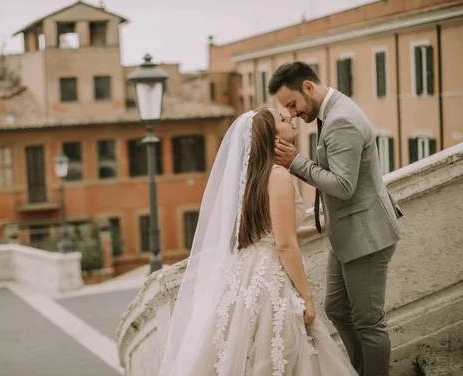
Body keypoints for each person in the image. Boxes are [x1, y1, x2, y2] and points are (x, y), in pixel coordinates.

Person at [158, 108, 357, 376]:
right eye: (283, 120)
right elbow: (284, 244)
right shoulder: (278, 176)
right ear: (273, 137)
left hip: (243, 274)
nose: (291, 118)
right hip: (269, 278)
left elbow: (267, 234)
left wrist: (317, 229)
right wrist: (308, 297)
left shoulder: (252, 179)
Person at [269, 61, 403, 376]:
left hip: (366, 236)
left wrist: (296, 163)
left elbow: (343, 186)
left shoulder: (342, 120)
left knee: (370, 323)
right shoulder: (331, 112)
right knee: (338, 310)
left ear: (308, 87)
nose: (293, 113)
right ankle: (360, 369)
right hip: (347, 234)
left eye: (292, 104)